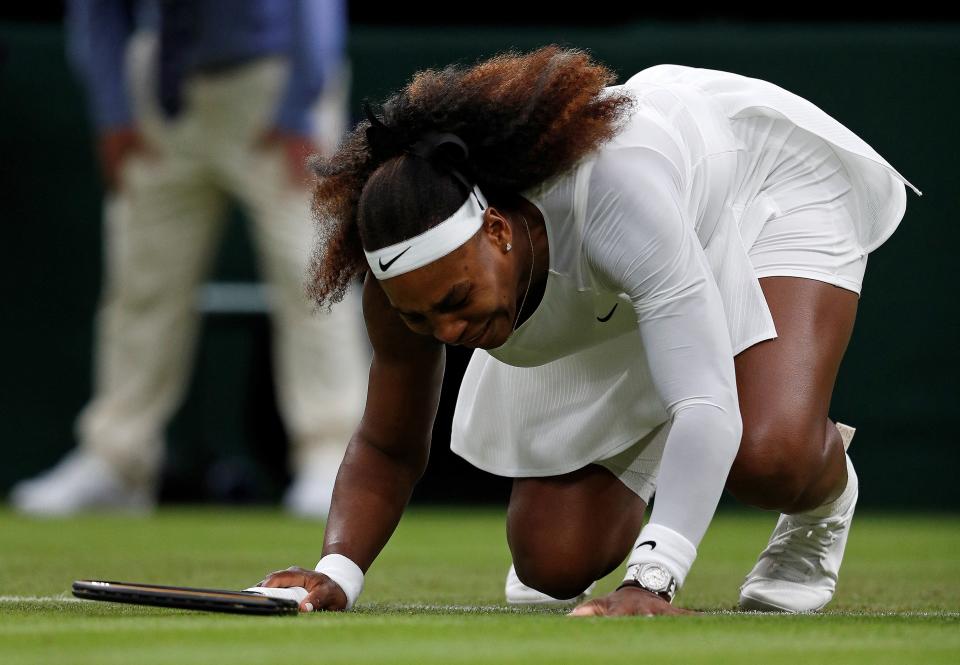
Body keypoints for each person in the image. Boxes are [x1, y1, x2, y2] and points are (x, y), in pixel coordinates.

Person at [257, 46, 921, 614]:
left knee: (767, 454)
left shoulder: (617, 193)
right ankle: (677, 399)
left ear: (496, 232)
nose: (448, 330)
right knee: (553, 560)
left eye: (457, 299)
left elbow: (704, 400)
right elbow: (389, 443)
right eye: (423, 317)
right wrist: (337, 569)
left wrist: (651, 578)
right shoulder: (406, 283)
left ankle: (822, 500)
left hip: (760, 186)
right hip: (624, 285)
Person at [10, 0, 368, 518]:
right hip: (160, 89)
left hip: (274, 77)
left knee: (314, 280)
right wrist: (113, 110)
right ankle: (118, 460)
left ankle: (334, 459)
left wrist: (299, 103)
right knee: (141, 284)